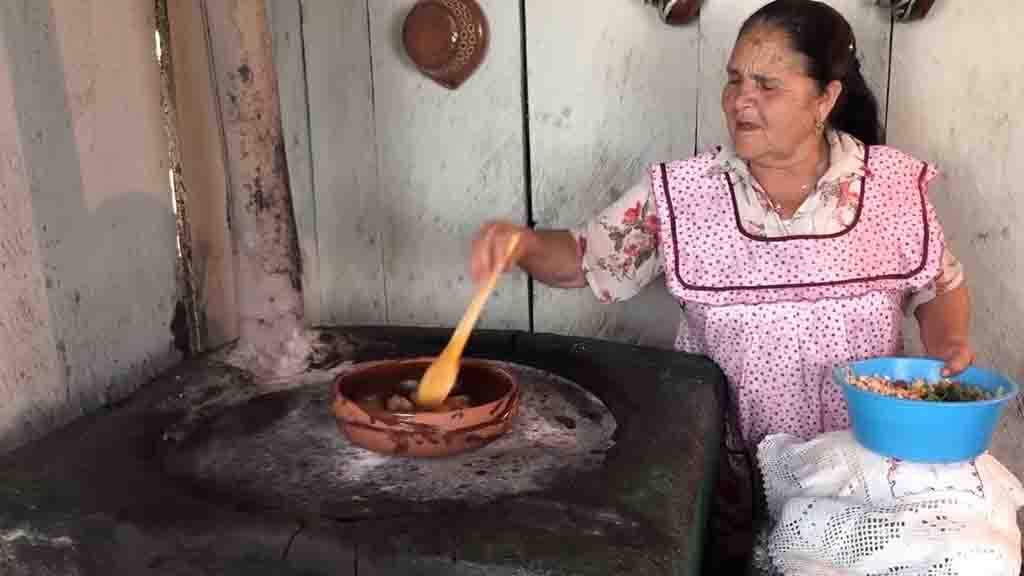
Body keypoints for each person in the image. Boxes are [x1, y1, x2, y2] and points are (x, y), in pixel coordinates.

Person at [470, 0, 972, 453]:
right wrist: (523, 244)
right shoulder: (687, 191)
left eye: (767, 86)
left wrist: (948, 347)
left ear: (824, 99)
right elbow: (587, 259)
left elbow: (937, 289)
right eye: (735, 80)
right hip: (723, 471)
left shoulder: (889, 184)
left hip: (861, 465)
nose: (739, 101)